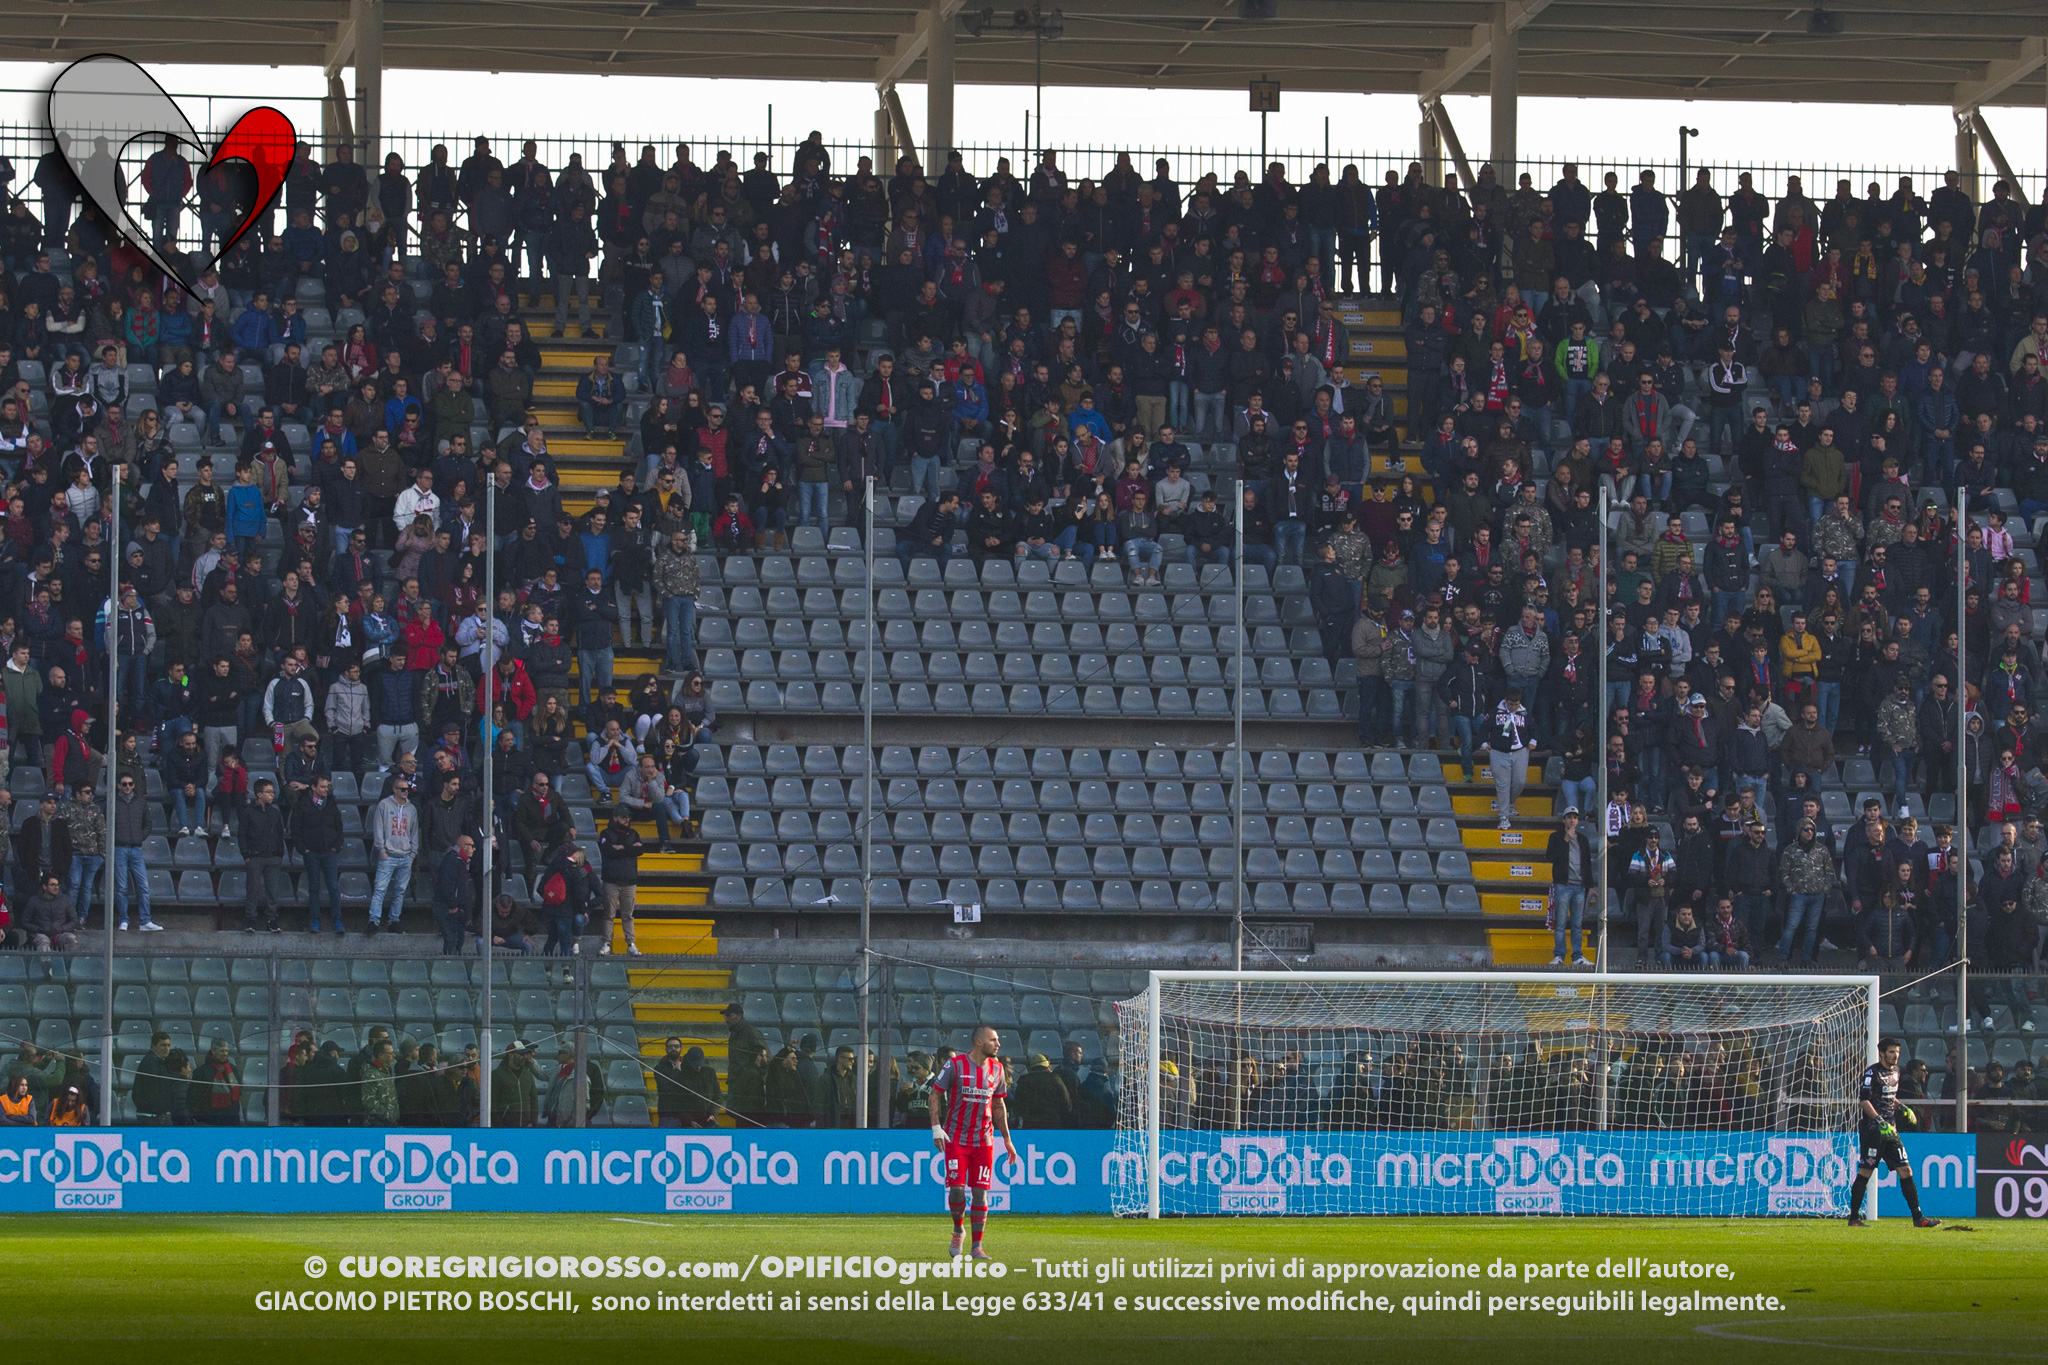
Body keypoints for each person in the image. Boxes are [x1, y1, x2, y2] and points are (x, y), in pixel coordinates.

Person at [931, 1023, 1017, 1261]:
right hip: (956, 1138)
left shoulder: (998, 1070)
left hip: (984, 1140)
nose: (998, 1044)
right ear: (979, 1042)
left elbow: (999, 1105)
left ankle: (977, 1246)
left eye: (997, 1040)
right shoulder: (955, 1064)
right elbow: (935, 1093)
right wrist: (936, 1128)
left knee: (980, 1193)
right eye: (993, 1040)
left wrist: (1007, 1140)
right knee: (957, 1190)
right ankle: (958, 1229)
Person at [1846, 1037, 1940, 1228]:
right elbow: (1864, 1101)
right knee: (1866, 1171)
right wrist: (1878, 1120)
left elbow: (1890, 1096)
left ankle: (1918, 1218)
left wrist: (1902, 1107)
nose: (1895, 1055)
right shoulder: (1872, 1073)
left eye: (1897, 1052)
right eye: (1891, 1052)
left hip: (1891, 1129)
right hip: (1873, 1130)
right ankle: (1854, 1218)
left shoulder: (1896, 1071)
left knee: (1906, 1170)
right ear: (1882, 1053)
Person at [366, 774, 418, 934]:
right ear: (394, 790)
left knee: (400, 891)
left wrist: (412, 853)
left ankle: (394, 921)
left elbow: (414, 832)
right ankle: (374, 921)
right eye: (402, 789)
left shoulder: (412, 809)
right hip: (388, 854)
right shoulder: (384, 805)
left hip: (405, 855)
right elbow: (378, 828)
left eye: (407, 789)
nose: (406, 792)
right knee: (380, 889)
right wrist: (381, 849)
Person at [1479, 686, 1533, 831]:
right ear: (1505, 701)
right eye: (1511, 704)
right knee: (1503, 785)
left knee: (1519, 782)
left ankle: (1510, 804)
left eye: (1516, 704)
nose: (1514, 707)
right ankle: (1504, 817)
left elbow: (1534, 729)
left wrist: (1533, 741)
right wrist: (1484, 743)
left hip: (1520, 752)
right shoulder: (1495, 713)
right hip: (1499, 752)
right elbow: (1484, 728)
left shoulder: (1525, 714)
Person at [1547, 807, 1594, 966]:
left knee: (1577, 924)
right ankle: (1559, 955)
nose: (1572, 820)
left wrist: (1590, 886)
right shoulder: (1555, 837)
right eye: (1569, 817)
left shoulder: (1583, 840)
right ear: (1563, 820)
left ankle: (1577, 956)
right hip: (1563, 886)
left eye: (1575, 817)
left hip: (1579, 887)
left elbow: (1587, 864)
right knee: (1560, 923)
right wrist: (1565, 840)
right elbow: (1550, 857)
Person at [595, 804, 645, 956]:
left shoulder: (633, 833)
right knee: (609, 913)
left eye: (628, 817)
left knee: (628, 914)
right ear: (615, 817)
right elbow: (608, 851)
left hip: (629, 881)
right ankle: (606, 942)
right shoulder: (605, 833)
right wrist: (629, 848)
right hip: (612, 880)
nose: (626, 820)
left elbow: (640, 850)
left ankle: (630, 943)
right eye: (623, 817)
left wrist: (621, 848)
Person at [432, 833, 478, 955]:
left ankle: (455, 963)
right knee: (451, 939)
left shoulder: (461, 862)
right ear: (463, 846)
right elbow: (447, 885)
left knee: (458, 939)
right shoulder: (452, 860)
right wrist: (453, 906)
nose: (474, 849)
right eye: (472, 845)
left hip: (456, 908)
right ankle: (449, 965)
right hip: (447, 907)